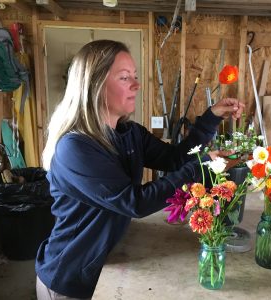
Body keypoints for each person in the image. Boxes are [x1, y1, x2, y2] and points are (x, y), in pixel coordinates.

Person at [35, 39, 245, 300]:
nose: (136, 85)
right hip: (70, 276)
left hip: (103, 261)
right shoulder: (76, 148)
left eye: (134, 76)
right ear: (95, 85)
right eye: (124, 78)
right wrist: (200, 169)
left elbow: (174, 159)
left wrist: (211, 117)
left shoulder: (129, 133)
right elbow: (134, 202)